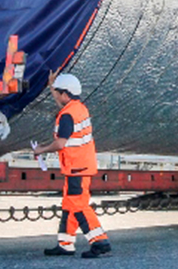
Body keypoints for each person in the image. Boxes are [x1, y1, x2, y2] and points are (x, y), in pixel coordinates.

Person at [32, 72, 112, 258]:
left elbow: (60, 143)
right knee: (69, 205)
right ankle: (65, 244)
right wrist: (52, 85)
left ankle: (100, 242)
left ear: (65, 94)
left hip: (77, 168)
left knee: (78, 205)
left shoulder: (67, 115)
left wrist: (41, 150)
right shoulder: (79, 108)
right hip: (79, 166)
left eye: (58, 93)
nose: (57, 97)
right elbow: (61, 101)